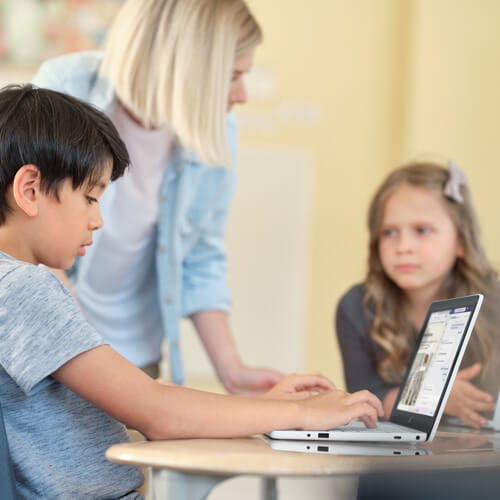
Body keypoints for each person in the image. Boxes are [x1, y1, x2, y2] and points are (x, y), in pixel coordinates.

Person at [0, 84, 384, 499]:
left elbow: (144, 395)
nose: (98, 220)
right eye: (91, 198)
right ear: (30, 189)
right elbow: (155, 413)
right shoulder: (26, 289)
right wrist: (300, 413)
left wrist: (261, 410)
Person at [32, 0, 283, 391]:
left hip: (139, 355)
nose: (242, 94)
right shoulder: (65, 89)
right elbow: (33, 243)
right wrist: (91, 358)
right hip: (60, 349)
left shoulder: (218, 128)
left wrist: (232, 370)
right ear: (187, 67)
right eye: (232, 76)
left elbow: (199, 254)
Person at [336, 161, 500, 429]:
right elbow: (364, 402)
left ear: (460, 240)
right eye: (389, 232)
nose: (403, 247)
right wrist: (433, 396)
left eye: (422, 230)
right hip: (390, 462)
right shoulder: (356, 307)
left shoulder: (495, 303)